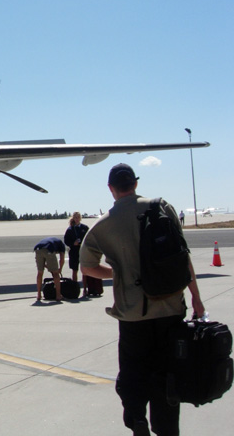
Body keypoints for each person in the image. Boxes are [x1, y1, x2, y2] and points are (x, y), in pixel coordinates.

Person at [80, 163, 204, 436]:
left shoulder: (103, 225)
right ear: (135, 183)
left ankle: (137, 420)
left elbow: (88, 268)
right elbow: (183, 257)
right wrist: (196, 298)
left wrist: (117, 272)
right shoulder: (163, 208)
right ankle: (167, 429)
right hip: (171, 309)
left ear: (111, 189)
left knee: (133, 376)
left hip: (133, 315)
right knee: (168, 376)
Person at [34, 236, 65, 301]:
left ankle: (39, 295)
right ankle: (58, 295)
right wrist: (60, 269)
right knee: (56, 273)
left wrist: (46, 266)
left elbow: (43, 262)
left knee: (40, 272)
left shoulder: (53, 241)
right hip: (48, 249)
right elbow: (62, 258)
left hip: (37, 248)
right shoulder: (61, 245)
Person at [64, 211, 89, 283]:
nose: (77, 219)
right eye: (75, 217)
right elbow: (66, 241)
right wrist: (73, 243)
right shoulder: (70, 229)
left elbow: (89, 238)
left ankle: (85, 289)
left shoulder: (85, 227)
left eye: (78, 217)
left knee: (84, 269)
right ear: (73, 218)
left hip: (83, 250)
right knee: (75, 270)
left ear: (80, 218)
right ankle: (75, 286)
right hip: (74, 251)